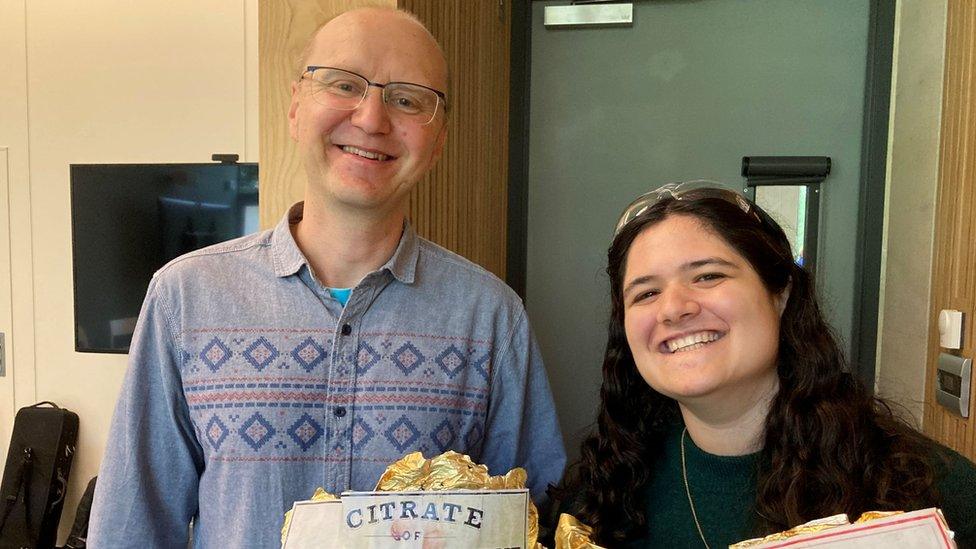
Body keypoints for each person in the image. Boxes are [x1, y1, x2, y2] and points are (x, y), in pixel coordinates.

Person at [88, 8, 565, 548]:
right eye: (343, 84)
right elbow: (133, 527)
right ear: (295, 107)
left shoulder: (491, 317)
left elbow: (530, 521)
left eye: (407, 99)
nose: (371, 119)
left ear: (437, 142)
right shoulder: (185, 299)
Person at [567, 181, 976, 547]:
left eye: (708, 276)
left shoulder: (936, 493)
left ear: (780, 294)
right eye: (646, 293)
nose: (673, 309)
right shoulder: (600, 494)